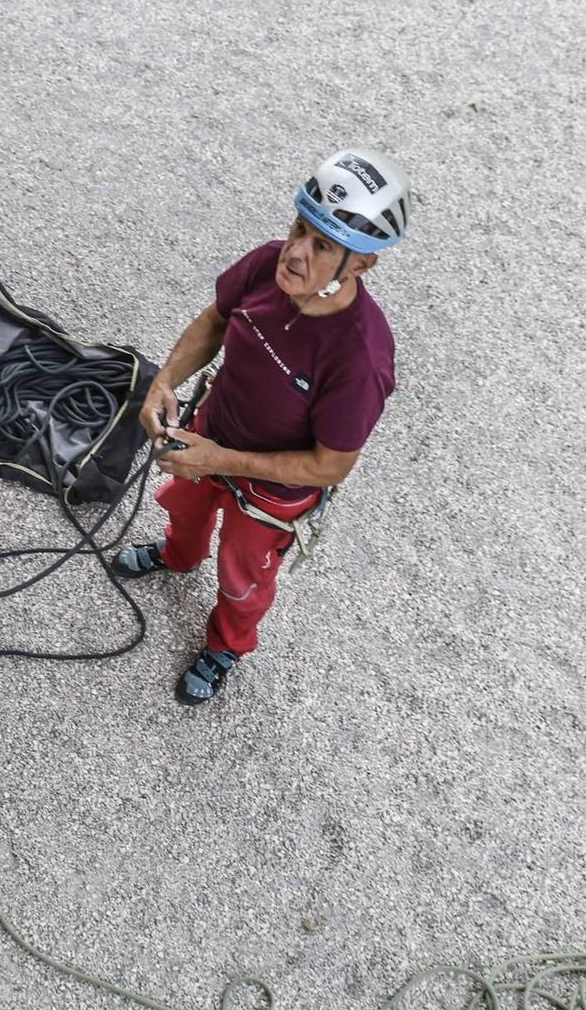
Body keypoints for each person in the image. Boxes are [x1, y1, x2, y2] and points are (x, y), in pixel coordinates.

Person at [113, 149, 411, 705]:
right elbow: (216, 320)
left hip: (271, 492)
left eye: (322, 246)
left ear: (362, 265)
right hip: (210, 433)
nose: (294, 254)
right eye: (299, 228)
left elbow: (332, 464)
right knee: (184, 507)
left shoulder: (359, 359)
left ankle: (228, 642)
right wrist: (165, 381)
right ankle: (178, 556)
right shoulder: (264, 265)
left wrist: (218, 460)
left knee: (242, 576)